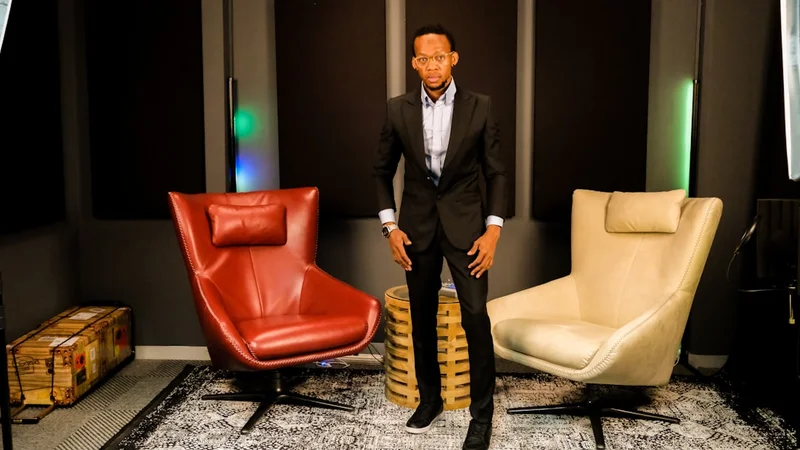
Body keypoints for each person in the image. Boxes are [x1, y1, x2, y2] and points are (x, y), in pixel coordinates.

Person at [373, 23, 508, 450]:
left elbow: (496, 173)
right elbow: (380, 172)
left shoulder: (480, 107)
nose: (432, 65)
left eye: (440, 56)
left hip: (468, 230)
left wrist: (493, 231)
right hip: (415, 230)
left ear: (453, 58)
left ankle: (482, 417)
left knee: (474, 315)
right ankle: (430, 399)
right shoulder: (398, 109)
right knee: (422, 317)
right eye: (424, 58)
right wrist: (390, 227)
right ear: (415, 63)